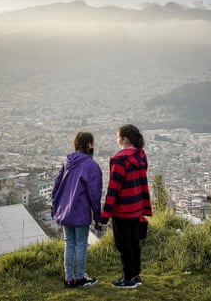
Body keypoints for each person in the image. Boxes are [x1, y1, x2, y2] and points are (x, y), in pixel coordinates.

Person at [100, 124, 152, 289]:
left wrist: (105, 214)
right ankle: (135, 275)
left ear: (125, 139)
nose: (117, 140)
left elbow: (113, 189)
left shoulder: (120, 160)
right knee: (134, 243)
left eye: (118, 137)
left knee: (124, 245)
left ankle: (128, 279)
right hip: (136, 207)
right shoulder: (140, 156)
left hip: (122, 210)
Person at [51, 131, 103, 288]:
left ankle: (68, 278)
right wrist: (97, 216)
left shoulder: (67, 162)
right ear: (89, 145)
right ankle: (80, 278)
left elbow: (56, 185)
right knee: (81, 244)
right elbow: (94, 193)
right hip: (80, 210)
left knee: (69, 243)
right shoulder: (91, 165)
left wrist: (55, 207)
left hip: (65, 211)